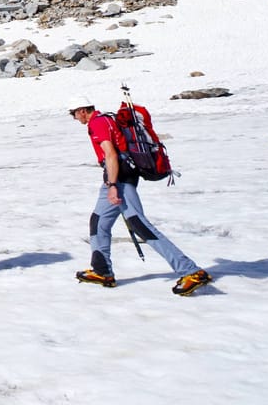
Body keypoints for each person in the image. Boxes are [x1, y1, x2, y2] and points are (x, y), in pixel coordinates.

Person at [69, 96, 212, 296]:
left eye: (73, 113)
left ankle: (191, 271)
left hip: (119, 178)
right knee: (98, 221)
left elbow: (110, 155)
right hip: (118, 176)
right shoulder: (107, 119)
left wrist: (112, 185)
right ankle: (102, 272)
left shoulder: (98, 123)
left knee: (139, 224)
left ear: (82, 110)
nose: (74, 118)